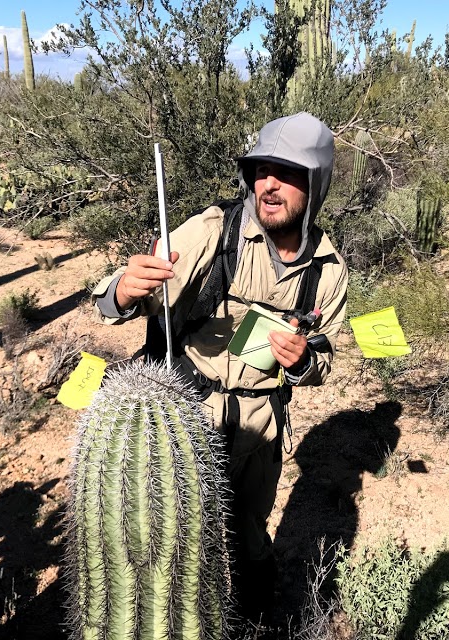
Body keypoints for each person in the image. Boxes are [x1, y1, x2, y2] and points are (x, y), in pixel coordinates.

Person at [91, 112, 348, 622]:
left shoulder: (328, 269)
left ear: (315, 185)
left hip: (261, 425)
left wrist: (304, 362)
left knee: (250, 531)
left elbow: (324, 356)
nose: (268, 184)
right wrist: (123, 288)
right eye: (261, 169)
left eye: (287, 172)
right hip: (186, 419)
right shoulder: (214, 231)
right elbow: (128, 297)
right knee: (175, 544)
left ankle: (253, 616)